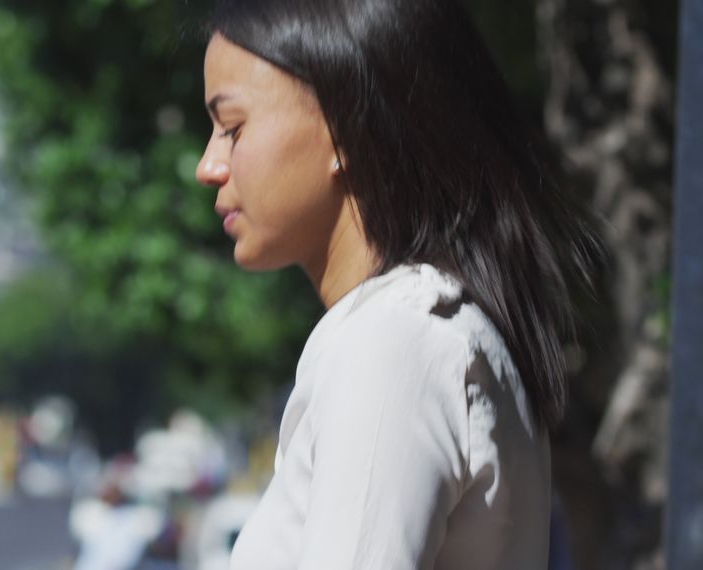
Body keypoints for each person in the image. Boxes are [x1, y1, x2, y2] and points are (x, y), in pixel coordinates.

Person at [194, 0, 601, 568]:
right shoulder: (426, 330)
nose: (208, 166)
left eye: (232, 128)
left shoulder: (392, 342)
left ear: (345, 126)